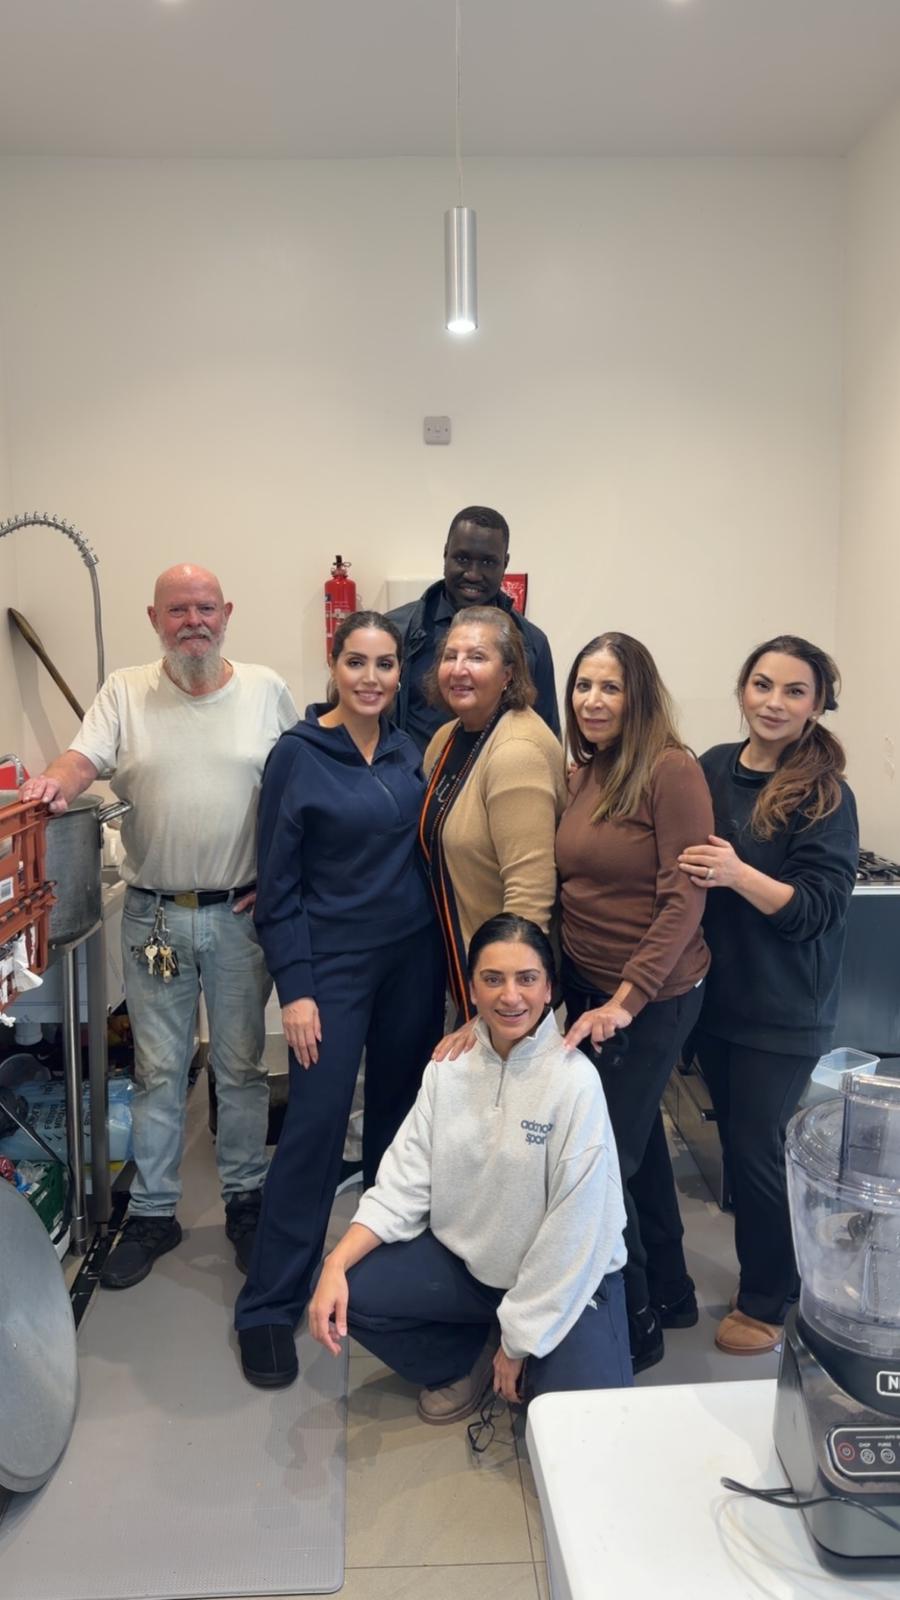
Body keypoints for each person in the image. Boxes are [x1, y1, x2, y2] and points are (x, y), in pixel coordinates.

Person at [20, 564, 298, 1286]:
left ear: (227, 612)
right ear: (155, 618)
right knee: (157, 1071)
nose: (193, 622)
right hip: (154, 919)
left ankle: (243, 1201)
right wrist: (54, 783)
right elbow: (82, 759)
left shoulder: (266, 690)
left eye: (205, 607)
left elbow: (300, 790)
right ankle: (151, 1212)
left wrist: (280, 875)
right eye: (178, 610)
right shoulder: (125, 692)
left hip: (241, 916)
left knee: (239, 1069)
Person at [308, 915, 632, 1424]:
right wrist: (334, 1262)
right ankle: (470, 1359)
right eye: (492, 979)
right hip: (475, 1272)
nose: (510, 996)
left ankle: (516, 1345)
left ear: (549, 988)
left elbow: (578, 1232)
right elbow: (404, 1181)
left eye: (527, 978)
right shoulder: (448, 1069)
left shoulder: (575, 1083)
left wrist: (521, 1339)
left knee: (573, 1430)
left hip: (569, 1280)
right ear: (471, 989)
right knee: (354, 1291)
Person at [235, 610, 446, 1389]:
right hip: (334, 968)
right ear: (333, 665)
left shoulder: (407, 750)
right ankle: (267, 1305)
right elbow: (276, 887)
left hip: (411, 962)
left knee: (400, 1126)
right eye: (356, 663)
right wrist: (296, 990)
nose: (370, 678)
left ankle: (372, 1280)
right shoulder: (298, 755)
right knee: (316, 1130)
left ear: (399, 674)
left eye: (384, 665)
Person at [678, 635, 858, 1356]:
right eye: (762, 685)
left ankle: (768, 1300)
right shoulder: (714, 766)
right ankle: (776, 1279)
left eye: (793, 691)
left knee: (757, 1153)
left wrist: (736, 873)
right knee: (739, 1144)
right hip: (716, 999)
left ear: (817, 705)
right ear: (742, 690)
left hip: (782, 1011)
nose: (773, 702)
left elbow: (818, 910)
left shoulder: (824, 794)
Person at [556, 632, 713, 1373]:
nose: (592, 699)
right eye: (584, 685)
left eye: (610, 687)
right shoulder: (587, 770)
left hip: (649, 998)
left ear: (639, 694)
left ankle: (637, 1321)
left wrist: (625, 999)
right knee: (638, 1146)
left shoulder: (671, 770)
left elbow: (683, 902)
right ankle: (675, 1292)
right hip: (592, 990)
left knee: (602, 1162)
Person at [420, 607, 566, 1017]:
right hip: (463, 963)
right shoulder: (447, 738)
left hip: (504, 989)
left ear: (509, 674)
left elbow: (529, 895)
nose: (459, 669)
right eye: (451, 656)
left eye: (477, 657)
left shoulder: (517, 751)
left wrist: (505, 995)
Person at [387, 505, 559, 752]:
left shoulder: (532, 643)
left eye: (488, 562)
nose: (473, 574)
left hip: (502, 783)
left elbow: (548, 738)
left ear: (505, 563)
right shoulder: (397, 632)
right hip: (418, 785)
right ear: (445, 554)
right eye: (463, 558)